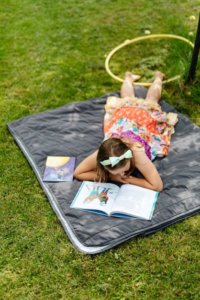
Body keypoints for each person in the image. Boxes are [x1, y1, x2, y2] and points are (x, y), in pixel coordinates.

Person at [74, 71, 178, 191]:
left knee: (152, 101)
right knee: (126, 100)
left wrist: (129, 180)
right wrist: (112, 177)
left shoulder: (137, 154)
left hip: (142, 119)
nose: (121, 174)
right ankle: (128, 77)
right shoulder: (104, 154)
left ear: (129, 158)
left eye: (123, 170)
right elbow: (78, 173)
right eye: (116, 172)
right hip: (124, 119)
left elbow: (157, 186)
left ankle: (158, 77)